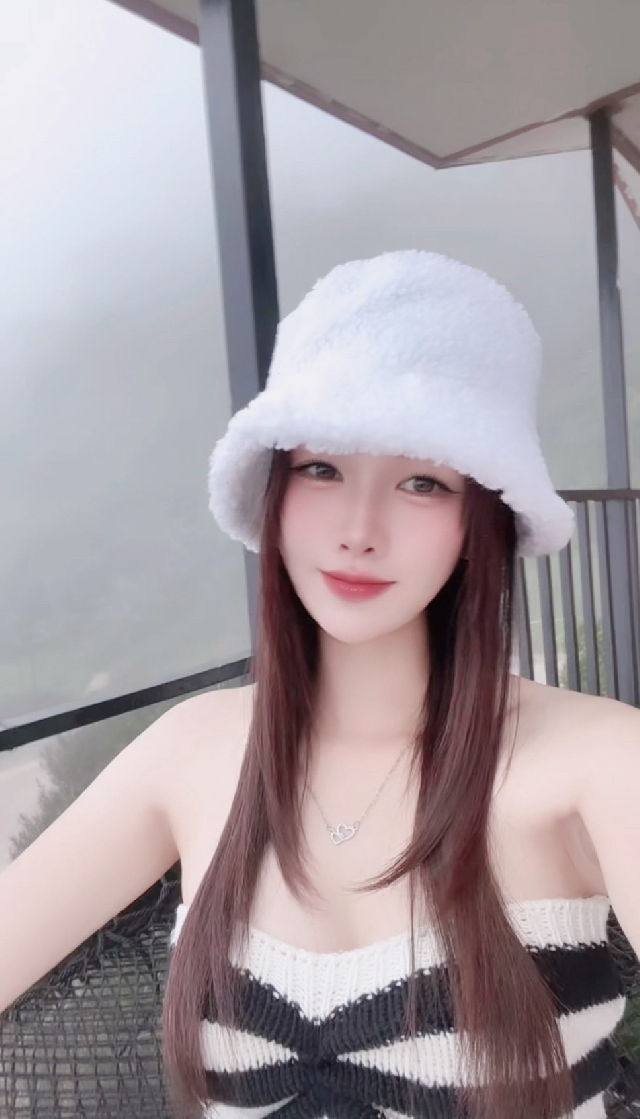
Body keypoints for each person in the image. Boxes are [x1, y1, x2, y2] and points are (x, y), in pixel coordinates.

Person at [0, 251, 638, 1119]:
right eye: (321, 470)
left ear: (481, 514)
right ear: (273, 487)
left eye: (422, 481)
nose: (358, 530)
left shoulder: (598, 757)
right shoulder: (195, 749)